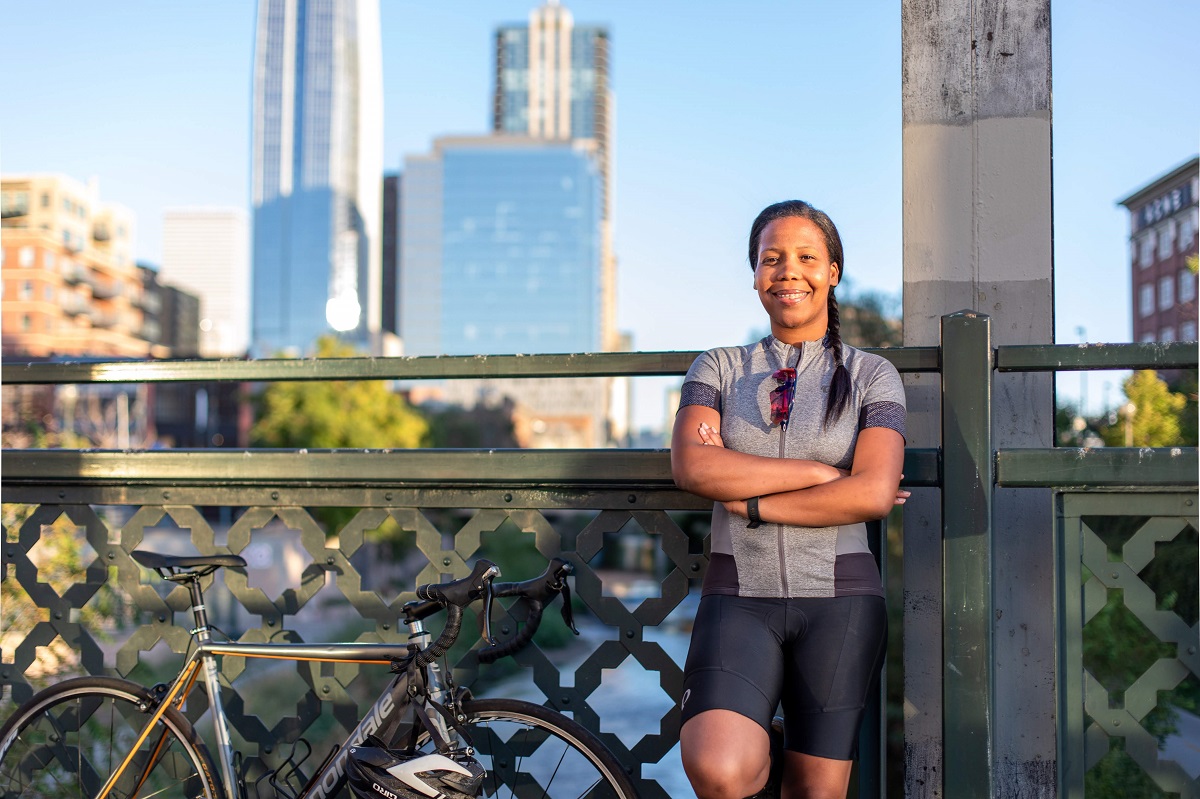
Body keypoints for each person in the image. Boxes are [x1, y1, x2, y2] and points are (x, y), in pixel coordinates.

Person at [671, 200, 909, 799]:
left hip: (842, 602)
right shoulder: (719, 369)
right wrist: (818, 473)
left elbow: (875, 492)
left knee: (814, 794)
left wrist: (750, 500)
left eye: (806, 257)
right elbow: (694, 466)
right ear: (754, 275)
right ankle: (759, 745)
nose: (787, 271)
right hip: (737, 597)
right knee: (719, 769)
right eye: (770, 259)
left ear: (833, 271)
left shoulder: (872, 375)